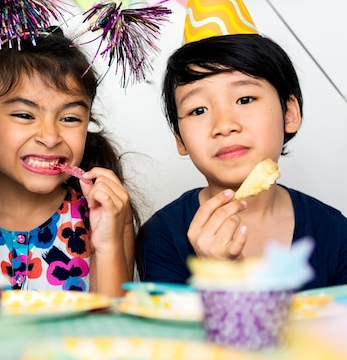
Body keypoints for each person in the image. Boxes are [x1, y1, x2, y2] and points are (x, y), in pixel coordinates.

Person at [137, 34, 347, 289]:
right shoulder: (163, 234)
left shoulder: (334, 231)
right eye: (198, 110)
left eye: (245, 99)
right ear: (180, 139)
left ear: (289, 113)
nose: (224, 126)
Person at [0, 28, 139, 297]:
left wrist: (107, 245)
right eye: (25, 115)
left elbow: (113, 328)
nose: (50, 137)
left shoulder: (105, 217)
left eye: (70, 118)